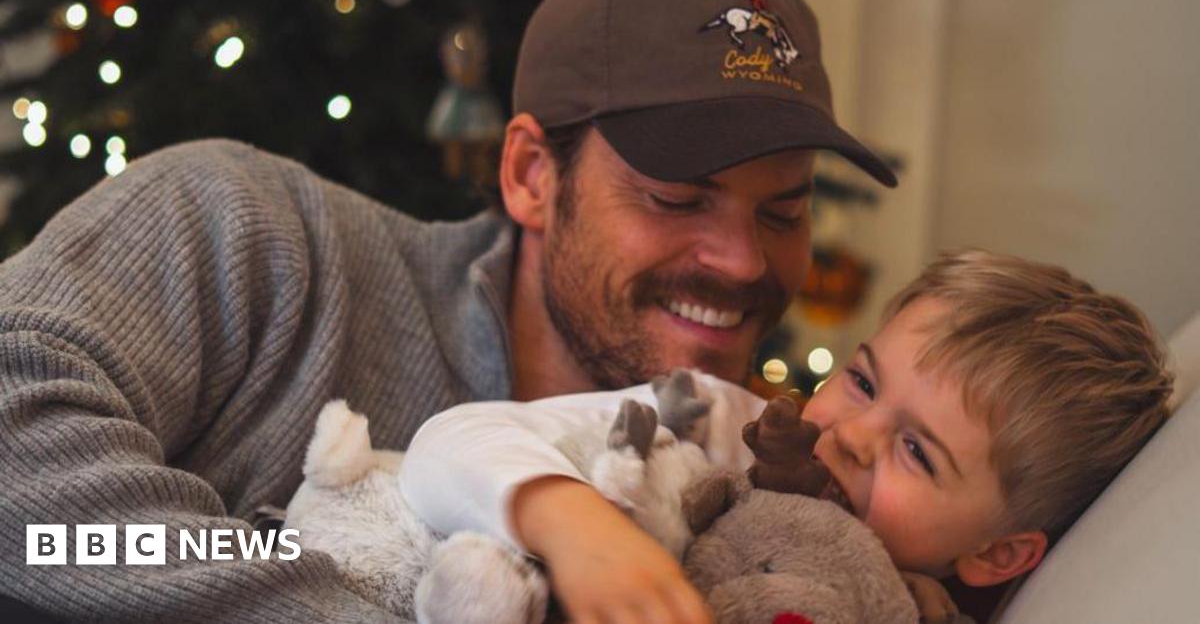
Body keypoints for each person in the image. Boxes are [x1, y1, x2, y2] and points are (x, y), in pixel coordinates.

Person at [0, 0, 895, 621]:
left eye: (783, 211)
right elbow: (25, 481)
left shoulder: (750, 479)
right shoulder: (249, 227)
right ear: (530, 174)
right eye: (677, 198)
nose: (743, 262)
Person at [399, 250, 1174, 623]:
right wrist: (578, 528)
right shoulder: (711, 419)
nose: (851, 434)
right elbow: (444, 444)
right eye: (863, 381)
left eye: (917, 451)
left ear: (999, 553)